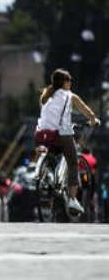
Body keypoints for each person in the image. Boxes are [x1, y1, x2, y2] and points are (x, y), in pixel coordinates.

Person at [35, 68, 100, 214]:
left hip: (42, 134)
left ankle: (49, 175)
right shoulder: (69, 96)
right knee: (72, 162)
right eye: (69, 80)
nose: (71, 83)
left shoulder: (46, 96)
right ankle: (72, 199)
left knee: (54, 153)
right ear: (64, 82)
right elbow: (85, 110)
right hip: (61, 134)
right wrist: (93, 120)